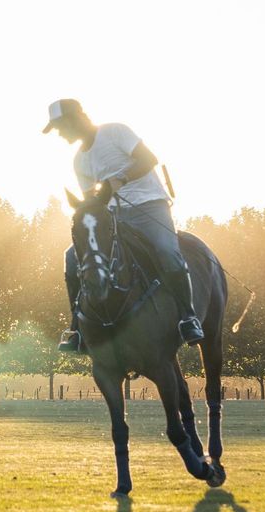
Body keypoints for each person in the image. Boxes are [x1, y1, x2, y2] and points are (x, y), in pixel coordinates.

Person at [42, 98, 204, 351]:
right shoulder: (79, 161)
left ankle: (188, 317)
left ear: (75, 119)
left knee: (166, 250)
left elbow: (148, 159)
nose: (60, 134)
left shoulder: (115, 131)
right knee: (73, 257)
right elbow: (91, 203)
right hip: (115, 218)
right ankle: (77, 328)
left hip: (150, 206)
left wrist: (121, 179)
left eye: (61, 127)